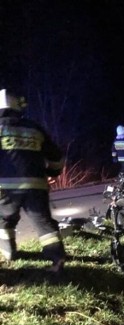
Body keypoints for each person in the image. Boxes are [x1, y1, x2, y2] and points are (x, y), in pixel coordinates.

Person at [0, 88, 66, 274]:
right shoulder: (33, 128)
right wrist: (53, 172)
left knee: (4, 220)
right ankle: (57, 260)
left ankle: (9, 252)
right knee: (44, 222)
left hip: (4, 189)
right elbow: (57, 157)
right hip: (36, 185)